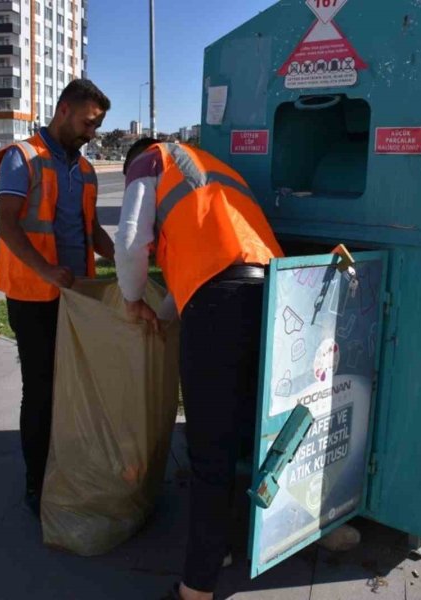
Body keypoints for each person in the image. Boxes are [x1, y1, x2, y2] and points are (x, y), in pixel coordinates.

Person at [114, 138, 284, 600]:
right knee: (250, 429)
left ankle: (196, 588)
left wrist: (131, 300)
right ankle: (227, 544)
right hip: (275, 292)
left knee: (210, 449)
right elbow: (209, 260)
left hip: (220, 304)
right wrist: (164, 315)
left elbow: (129, 243)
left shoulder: (150, 160)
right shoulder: (208, 170)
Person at [0, 79, 115, 516]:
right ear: (64, 110)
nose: (92, 133)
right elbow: (7, 225)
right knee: (41, 389)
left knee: (75, 385)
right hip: (33, 296)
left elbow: (92, 231)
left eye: (97, 125)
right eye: (88, 122)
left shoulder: (85, 170)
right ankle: (37, 482)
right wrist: (45, 269)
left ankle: (68, 465)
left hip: (77, 296)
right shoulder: (22, 157)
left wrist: (128, 258)